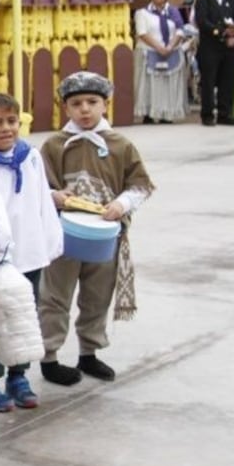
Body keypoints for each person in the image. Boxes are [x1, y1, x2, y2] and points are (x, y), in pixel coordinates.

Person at [37, 71, 155, 386]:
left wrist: (122, 204)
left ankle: (89, 351)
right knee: (55, 295)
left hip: (104, 234)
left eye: (92, 102)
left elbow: (140, 185)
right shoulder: (55, 145)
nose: (85, 109)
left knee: (97, 294)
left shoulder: (120, 145)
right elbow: (36, 188)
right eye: (76, 103)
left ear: (106, 104)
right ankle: (49, 356)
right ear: (66, 109)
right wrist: (54, 196)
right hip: (64, 235)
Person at [0, 94, 63, 411]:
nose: (6, 129)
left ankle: (18, 375)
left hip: (29, 254)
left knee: (24, 315)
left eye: (11, 121)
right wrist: (4, 250)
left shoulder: (29, 155)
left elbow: (41, 200)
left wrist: (50, 241)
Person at [133, 0, 189, 124]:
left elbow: (180, 30)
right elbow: (142, 33)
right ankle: (149, 113)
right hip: (149, 50)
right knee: (150, 85)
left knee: (167, 85)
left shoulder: (173, 12)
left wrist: (170, 46)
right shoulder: (142, 13)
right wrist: (159, 47)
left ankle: (166, 113)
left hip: (171, 51)